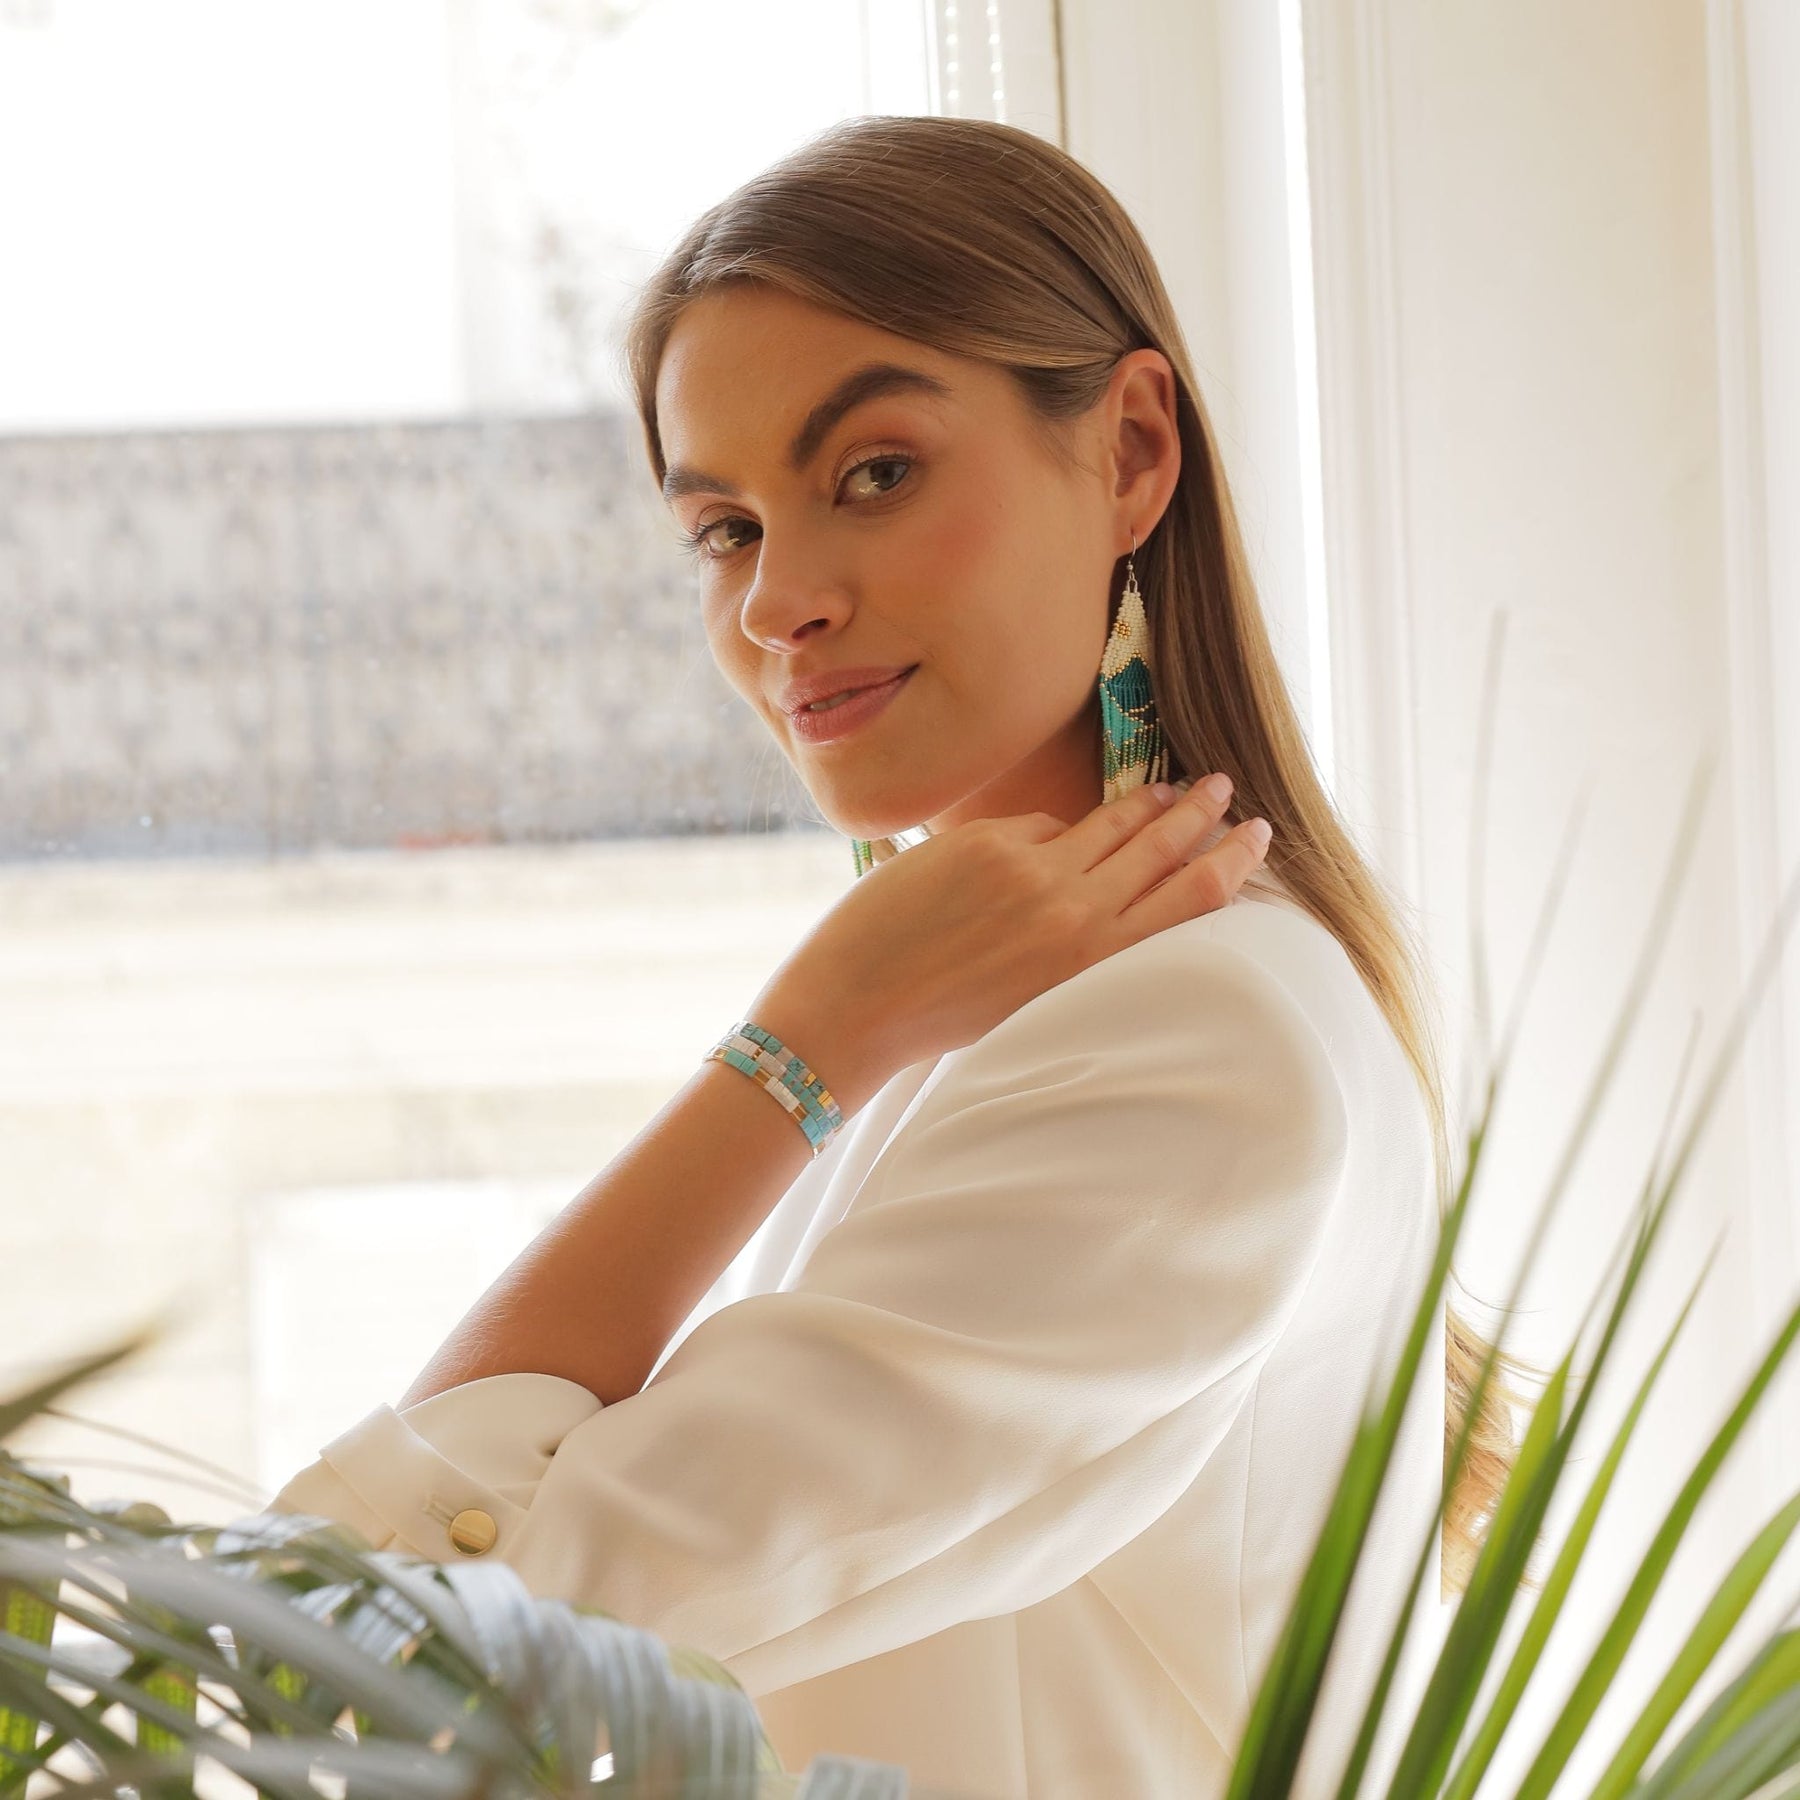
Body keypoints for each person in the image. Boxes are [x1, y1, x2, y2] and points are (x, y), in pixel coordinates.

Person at [268, 115, 1499, 1798]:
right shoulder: (1029, 1020)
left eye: (874, 474)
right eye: (725, 529)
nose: (779, 603)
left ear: (1133, 451)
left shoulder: (1190, 1034)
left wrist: (801, 1042)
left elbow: (393, 1665)